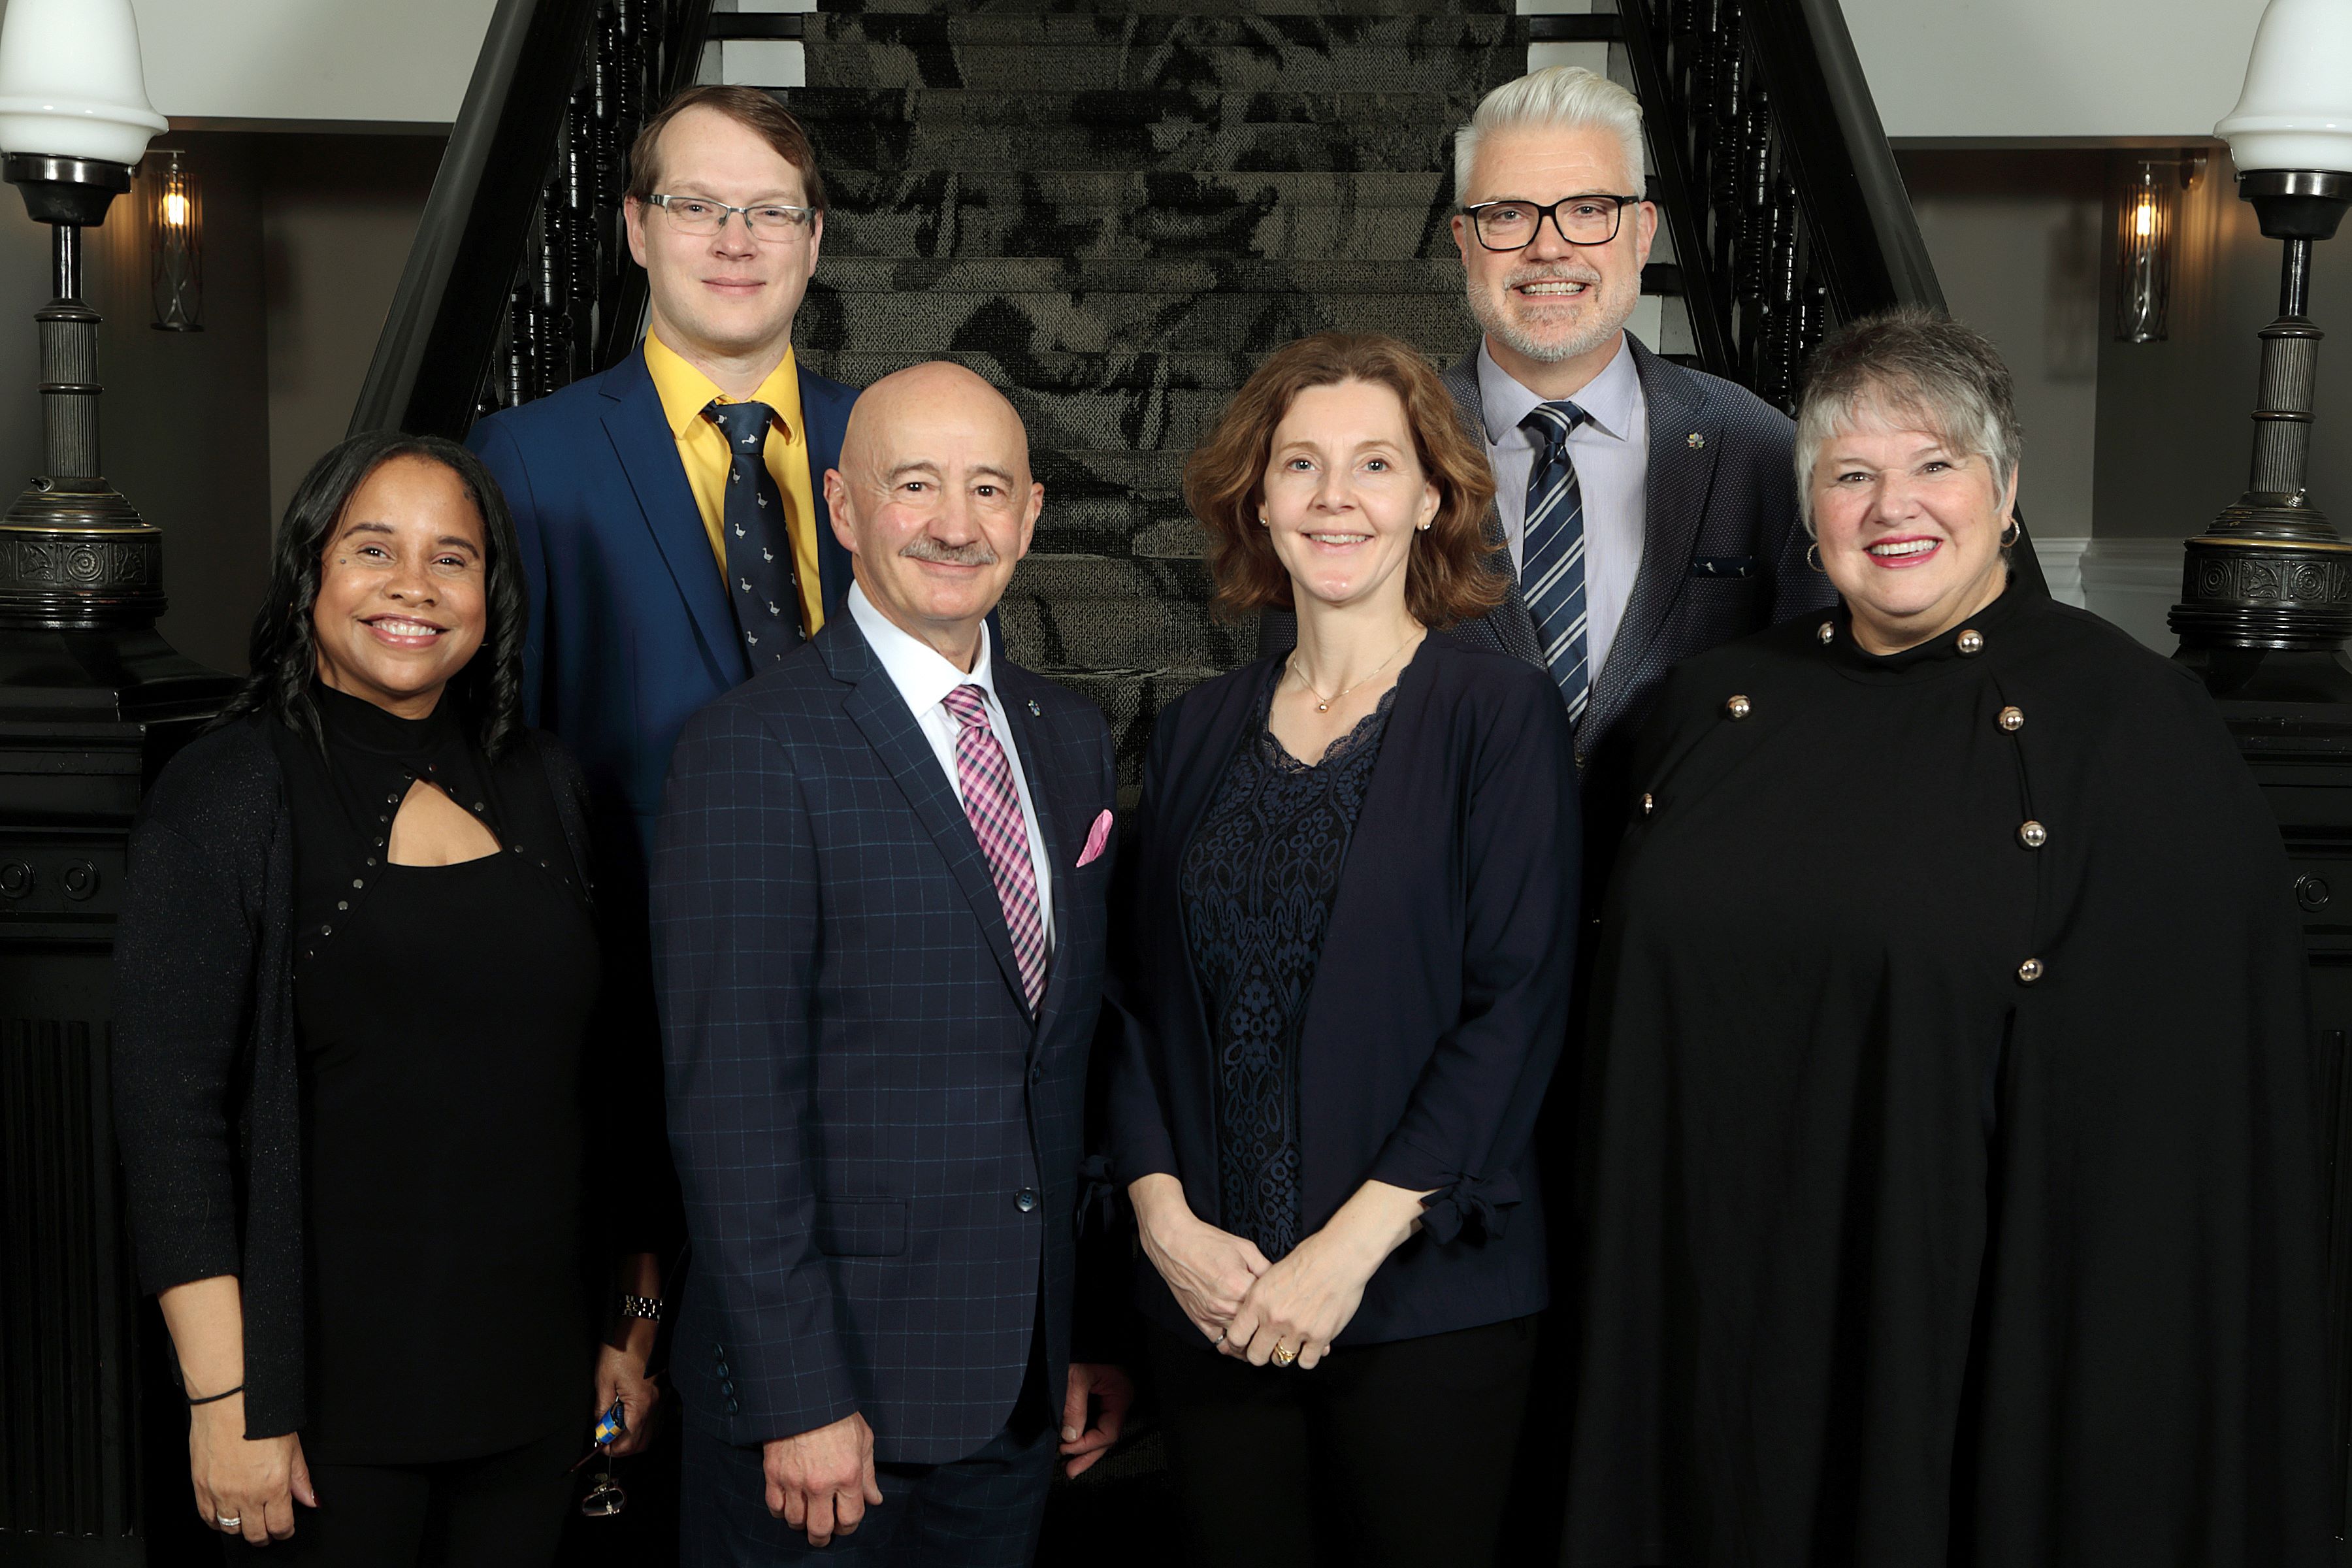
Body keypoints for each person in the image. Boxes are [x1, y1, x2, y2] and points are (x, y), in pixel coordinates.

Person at [1563, 308, 2334, 1565]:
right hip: (1719, 1311)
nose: (1891, 507)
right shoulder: (1712, 704)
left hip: (1969, 1321)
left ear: (2007, 489)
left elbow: (2176, 1133)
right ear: (1810, 507)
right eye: (1851, 473)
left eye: (1936, 464)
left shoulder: (2132, 726)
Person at [110, 432, 666, 1563]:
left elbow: (619, 1085)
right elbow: (168, 1122)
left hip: (537, 1390)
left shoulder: (549, 785)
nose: (414, 586)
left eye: (452, 558)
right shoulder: (227, 793)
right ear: (312, 568)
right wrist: (227, 1405)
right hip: (321, 1421)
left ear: (491, 593)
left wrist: (633, 1328)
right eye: (375, 549)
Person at [1105, 332, 1580, 1568]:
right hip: (1215, 1301)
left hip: (1427, 1304)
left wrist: (1346, 1253)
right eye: (1300, 465)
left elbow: (1516, 1004)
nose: (1335, 498)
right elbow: (1136, 999)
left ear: (1432, 498)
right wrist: (1162, 1221)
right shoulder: (1200, 725)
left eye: (1375, 464)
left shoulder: (1500, 712)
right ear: (1257, 498)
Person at [654, 361, 1133, 1566]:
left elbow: (1062, 1065)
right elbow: (731, 1107)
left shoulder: (1068, 737)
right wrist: (797, 1392)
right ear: (843, 506)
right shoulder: (753, 750)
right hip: (827, 1416)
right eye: (915, 485)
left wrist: (1074, 1327)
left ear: (1031, 514)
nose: (956, 524)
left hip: (1015, 1396)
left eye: (988, 488)